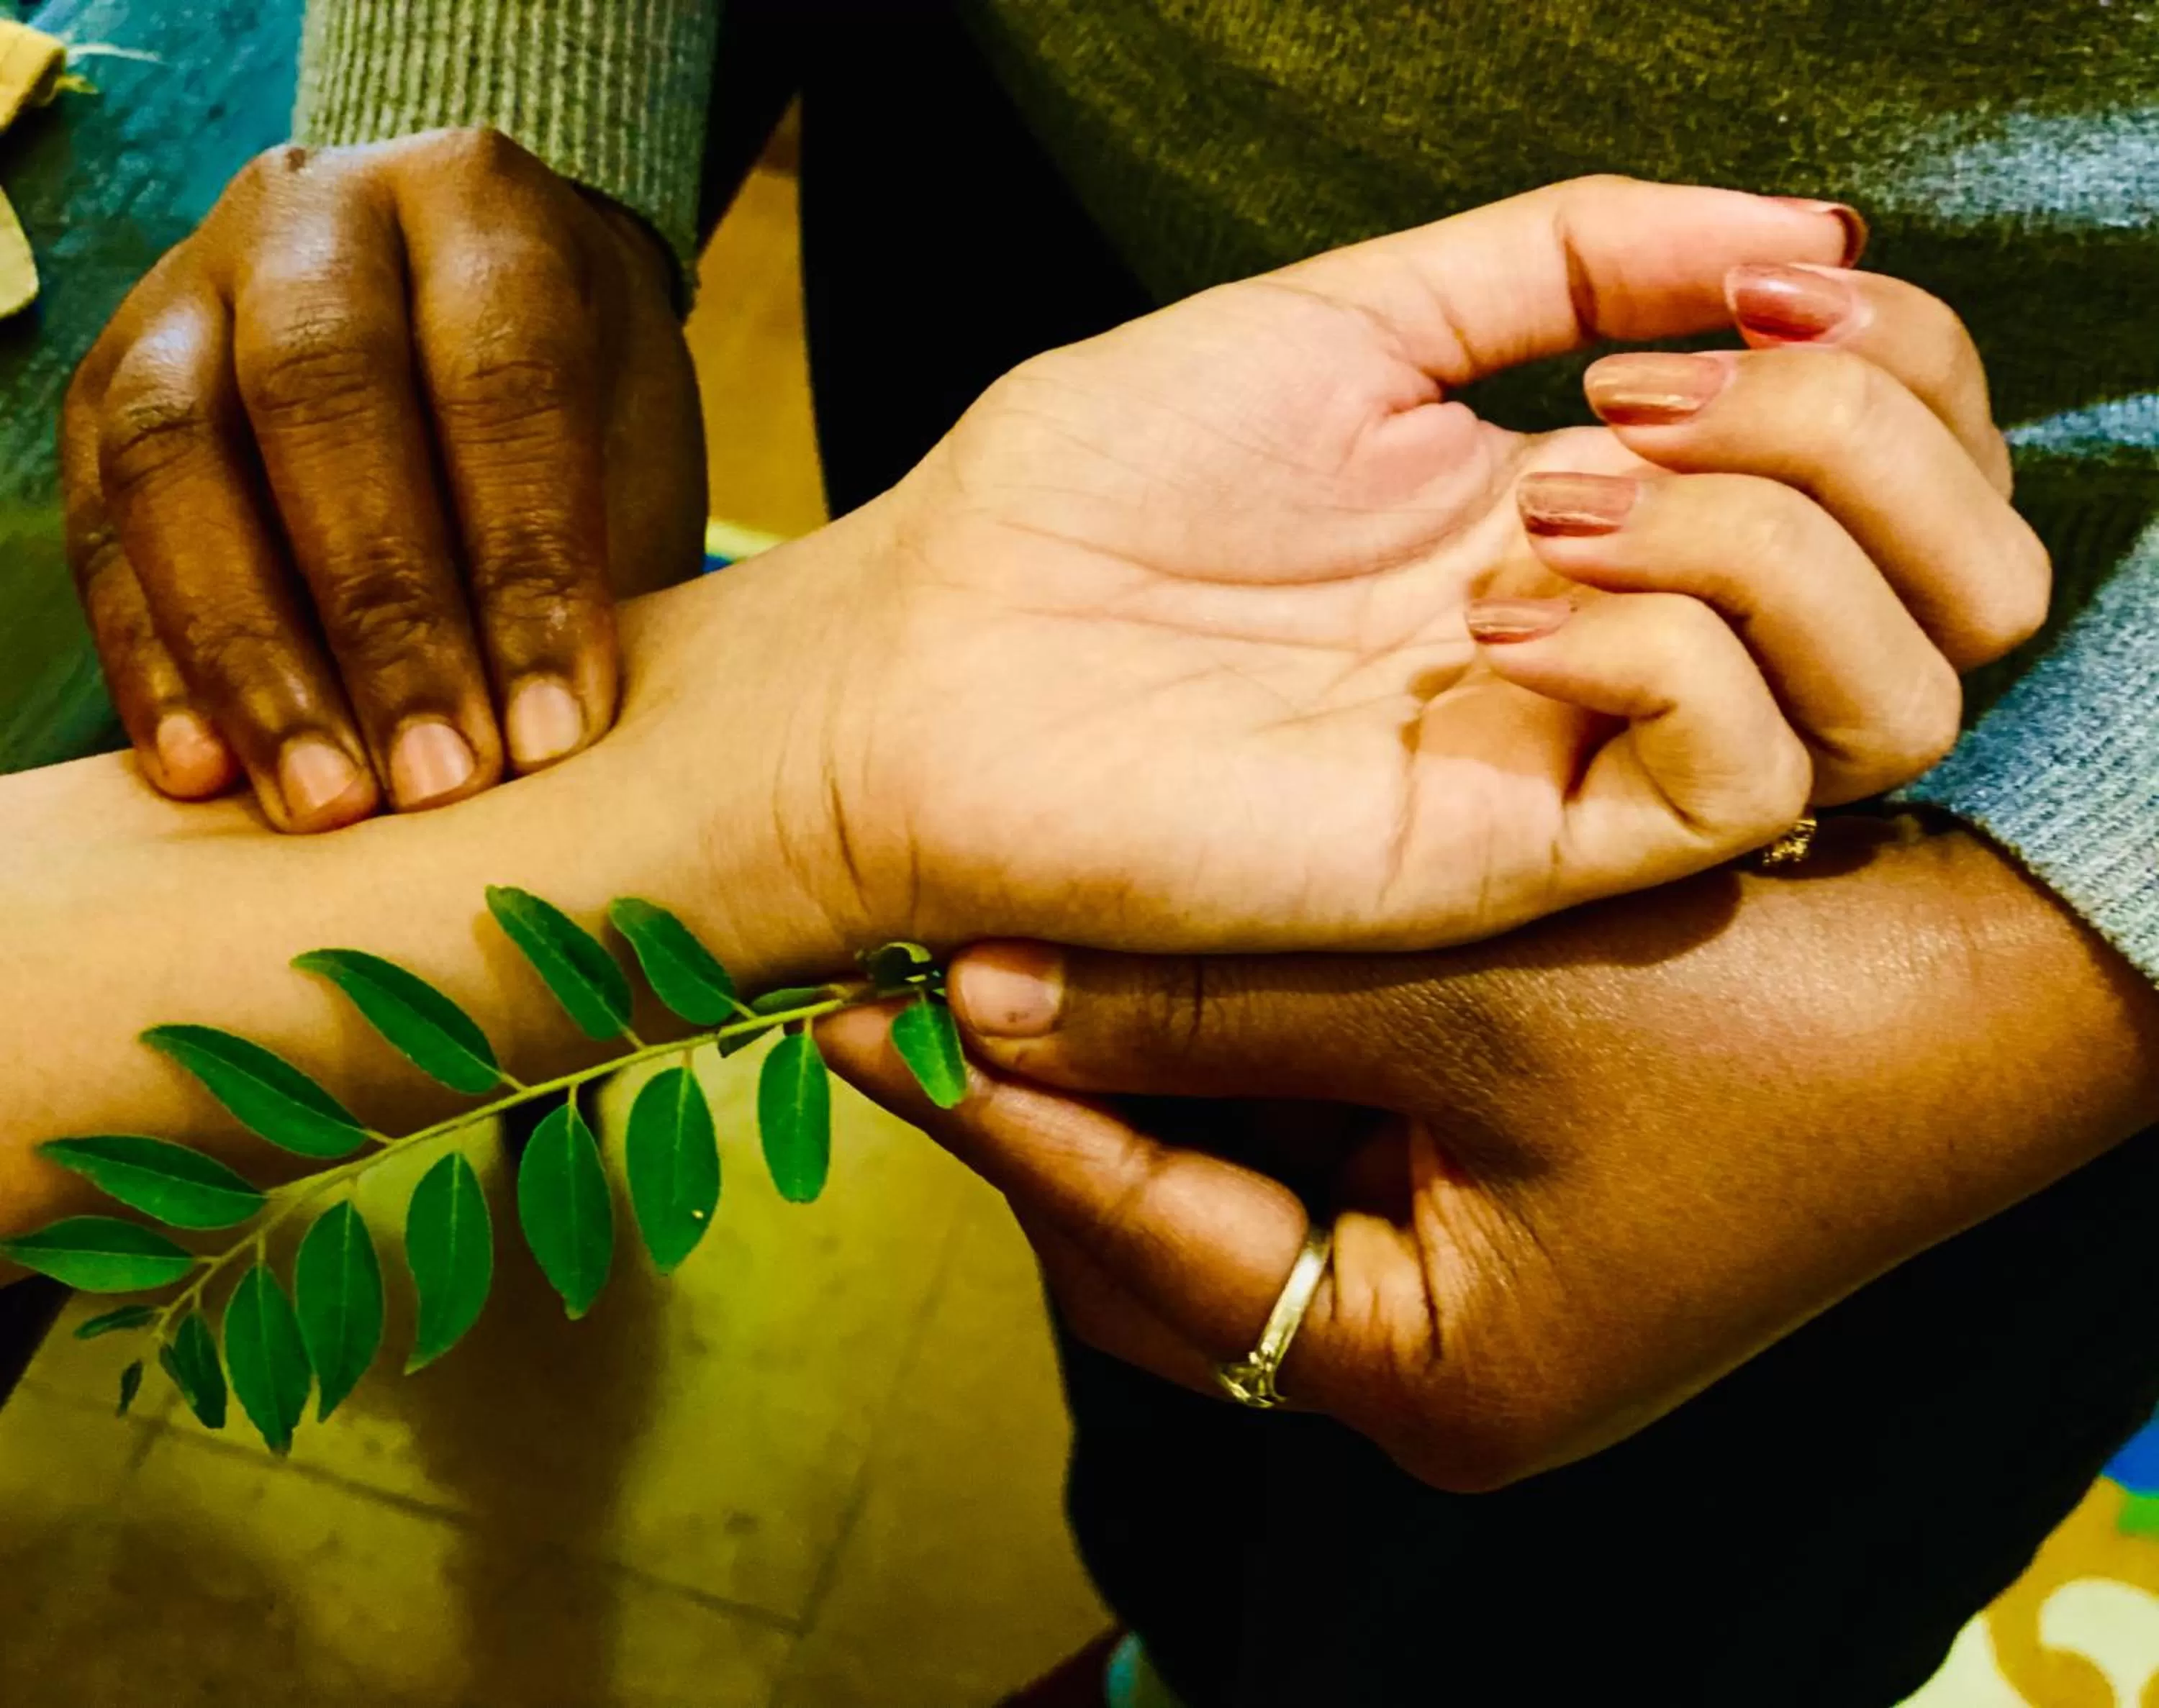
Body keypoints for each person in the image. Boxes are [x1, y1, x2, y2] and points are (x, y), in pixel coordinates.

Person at [51, 4, 2159, 1703]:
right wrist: (503, 60)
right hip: (1037, 228)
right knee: (1160, 1352)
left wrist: (2093, 895)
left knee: (1636, 1614)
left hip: (2027, 688)